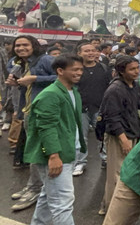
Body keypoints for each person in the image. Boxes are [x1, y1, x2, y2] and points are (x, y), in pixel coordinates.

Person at [23, 54, 86, 225]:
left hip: (68, 151)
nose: (79, 72)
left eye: (81, 69)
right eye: (75, 69)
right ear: (60, 71)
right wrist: (53, 156)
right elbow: (46, 128)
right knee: (62, 203)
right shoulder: (50, 94)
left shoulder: (72, 92)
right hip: (58, 155)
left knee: (48, 196)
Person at [7, 35, 56, 212]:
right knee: (32, 151)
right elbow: (26, 87)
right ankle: (33, 185)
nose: (21, 48)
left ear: (33, 45)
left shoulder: (46, 60)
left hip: (42, 112)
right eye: (17, 45)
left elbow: (63, 77)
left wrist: (35, 79)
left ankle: (37, 189)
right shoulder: (22, 63)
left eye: (25, 44)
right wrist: (17, 83)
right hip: (28, 111)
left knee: (39, 152)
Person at [98, 56, 140, 216]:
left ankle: (113, 207)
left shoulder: (135, 86)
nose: (136, 72)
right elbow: (112, 117)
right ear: (121, 71)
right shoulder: (115, 90)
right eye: (132, 69)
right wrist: (124, 140)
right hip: (119, 137)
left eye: (137, 68)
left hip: (132, 133)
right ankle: (110, 209)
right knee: (117, 175)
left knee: (125, 173)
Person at [72, 41, 111, 176]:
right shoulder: (75, 70)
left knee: (103, 135)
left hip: (100, 108)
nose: (91, 53)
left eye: (93, 50)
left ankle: (106, 159)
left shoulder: (104, 69)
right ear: (79, 53)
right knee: (81, 138)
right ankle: (80, 163)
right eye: (87, 51)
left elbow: (108, 88)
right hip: (81, 109)